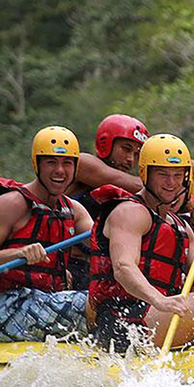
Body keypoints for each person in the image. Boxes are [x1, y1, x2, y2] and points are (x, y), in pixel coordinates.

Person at [87, 133, 194, 353]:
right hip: (121, 321)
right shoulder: (129, 212)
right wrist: (159, 300)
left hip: (153, 316)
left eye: (178, 175)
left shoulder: (181, 226)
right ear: (145, 173)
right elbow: (123, 268)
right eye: (162, 174)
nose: (171, 183)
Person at [0, 126, 93, 342]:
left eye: (67, 163)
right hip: (13, 309)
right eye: (51, 162)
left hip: (52, 301)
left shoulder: (73, 210)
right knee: (98, 304)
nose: (60, 170)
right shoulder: (12, 203)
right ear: (37, 165)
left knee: (110, 300)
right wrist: (17, 254)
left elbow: (101, 240)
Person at [65, 115, 150, 290]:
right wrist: (171, 177)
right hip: (70, 265)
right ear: (106, 145)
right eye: (125, 149)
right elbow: (124, 182)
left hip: (101, 271)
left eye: (136, 154)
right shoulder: (82, 163)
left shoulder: (134, 190)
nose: (130, 160)